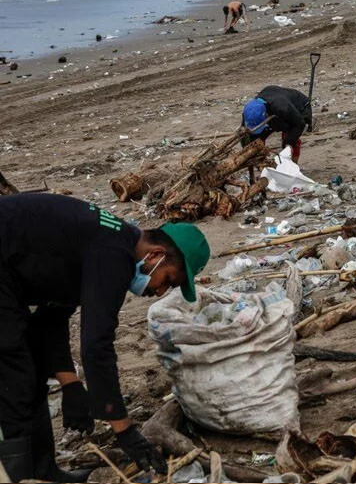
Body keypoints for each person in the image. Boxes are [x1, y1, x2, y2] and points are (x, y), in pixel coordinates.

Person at [0, 194, 210, 482]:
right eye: (169, 280)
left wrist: (71, 385)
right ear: (155, 254)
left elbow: (53, 315)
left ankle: (44, 472)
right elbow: (97, 345)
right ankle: (20, 477)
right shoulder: (114, 254)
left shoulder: (108, 242)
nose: (161, 291)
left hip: (10, 271)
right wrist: (124, 430)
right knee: (15, 373)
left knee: (32, 365)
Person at [242, 86, 312, 163]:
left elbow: (299, 124)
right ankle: (263, 165)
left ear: (266, 115)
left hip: (299, 108)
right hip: (273, 111)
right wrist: (248, 152)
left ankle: (293, 166)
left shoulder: (283, 108)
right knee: (256, 139)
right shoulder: (249, 111)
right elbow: (246, 135)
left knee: (289, 140)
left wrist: (289, 143)